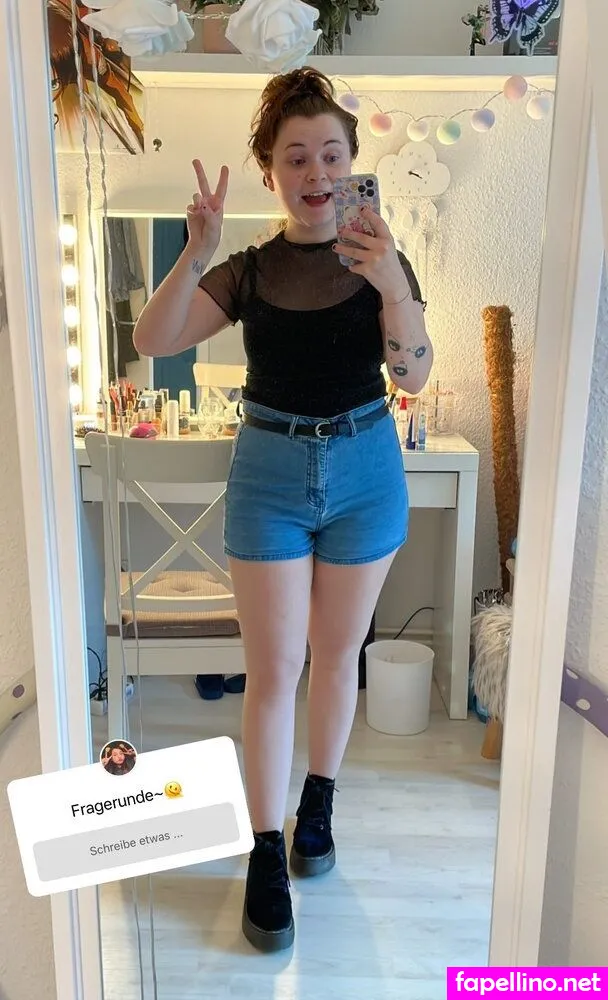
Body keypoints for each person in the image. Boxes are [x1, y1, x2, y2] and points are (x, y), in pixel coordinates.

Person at [133, 66, 433, 953]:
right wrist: (196, 249)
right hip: (268, 471)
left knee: (337, 658)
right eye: (295, 156)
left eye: (332, 154)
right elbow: (154, 339)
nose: (317, 172)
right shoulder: (250, 270)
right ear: (269, 170)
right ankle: (266, 852)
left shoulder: (383, 261)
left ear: (352, 164)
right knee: (274, 671)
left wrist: (393, 285)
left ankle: (319, 808)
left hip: (366, 466)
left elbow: (414, 375)